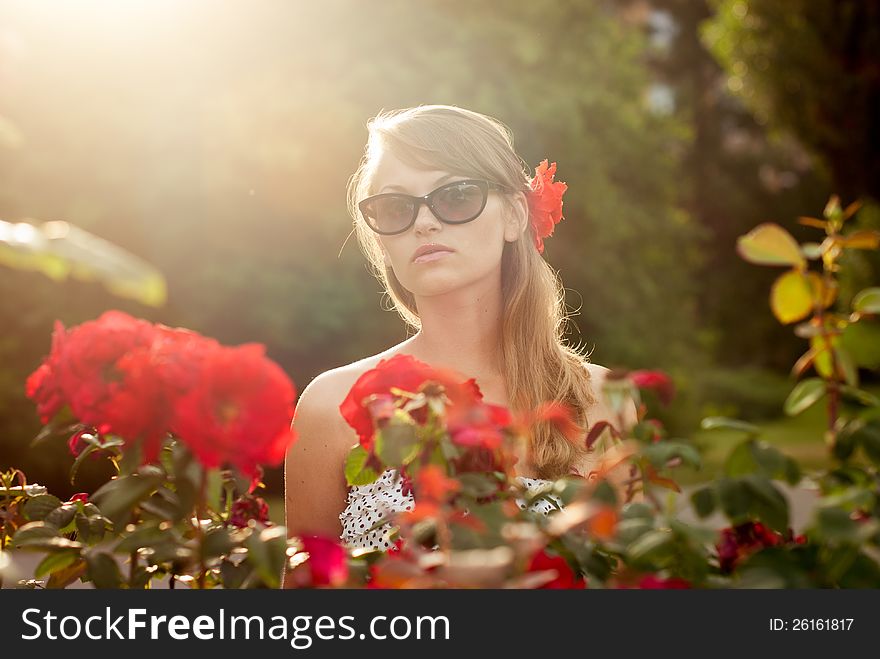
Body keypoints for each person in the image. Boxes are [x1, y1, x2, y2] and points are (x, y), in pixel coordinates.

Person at [283, 105, 637, 579]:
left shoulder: (606, 399)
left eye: (456, 196)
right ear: (381, 239)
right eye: (394, 206)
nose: (424, 223)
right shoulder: (331, 405)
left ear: (514, 216)